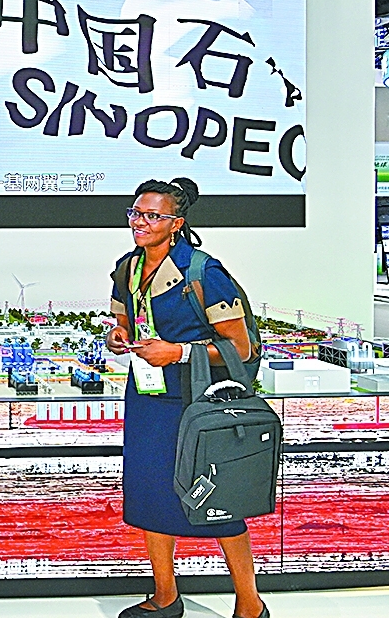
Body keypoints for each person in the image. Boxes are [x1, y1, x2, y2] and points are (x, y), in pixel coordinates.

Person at [106, 178, 267, 618]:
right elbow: (124, 321)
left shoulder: (203, 272)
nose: (140, 222)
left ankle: (250, 603)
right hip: (148, 397)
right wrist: (119, 336)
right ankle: (165, 596)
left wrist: (177, 352)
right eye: (135, 213)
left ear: (176, 223)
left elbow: (240, 348)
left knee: (219, 499)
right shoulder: (126, 268)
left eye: (152, 216)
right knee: (150, 495)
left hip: (200, 402)